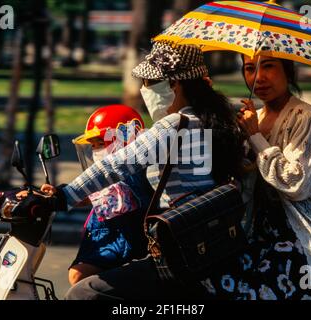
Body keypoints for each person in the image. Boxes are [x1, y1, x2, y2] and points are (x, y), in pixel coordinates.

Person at [40, 40, 245, 299]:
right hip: (209, 244)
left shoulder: (174, 126)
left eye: (149, 82)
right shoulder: (215, 124)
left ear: (174, 84)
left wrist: (62, 196)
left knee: (83, 293)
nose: (144, 89)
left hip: (180, 248)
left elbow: (115, 165)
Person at [200, 54, 311, 300]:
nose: (258, 77)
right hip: (256, 236)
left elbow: (295, 183)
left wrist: (256, 137)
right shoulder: (251, 119)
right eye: (249, 68)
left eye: (268, 66)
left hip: (300, 240)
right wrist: (209, 101)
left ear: (288, 71)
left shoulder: (305, 117)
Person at [65, 105, 154, 285]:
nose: (96, 150)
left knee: (79, 277)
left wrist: (63, 196)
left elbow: (100, 194)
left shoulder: (133, 174)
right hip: (110, 242)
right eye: (93, 146)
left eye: (101, 143)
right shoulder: (109, 178)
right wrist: (55, 194)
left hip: (126, 244)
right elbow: (91, 195)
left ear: (123, 140)